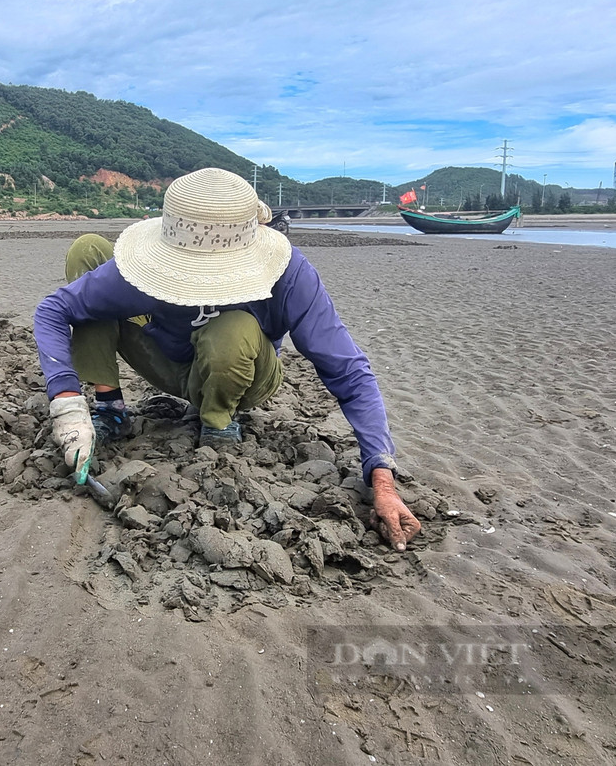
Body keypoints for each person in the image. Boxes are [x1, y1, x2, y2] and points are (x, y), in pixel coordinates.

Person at [33, 168, 421, 551]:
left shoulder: (290, 275)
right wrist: (66, 401)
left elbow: (348, 372)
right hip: (168, 358)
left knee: (231, 328)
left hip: (243, 371)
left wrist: (382, 481)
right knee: (88, 251)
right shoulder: (141, 273)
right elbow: (54, 310)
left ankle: (218, 420)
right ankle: (110, 408)